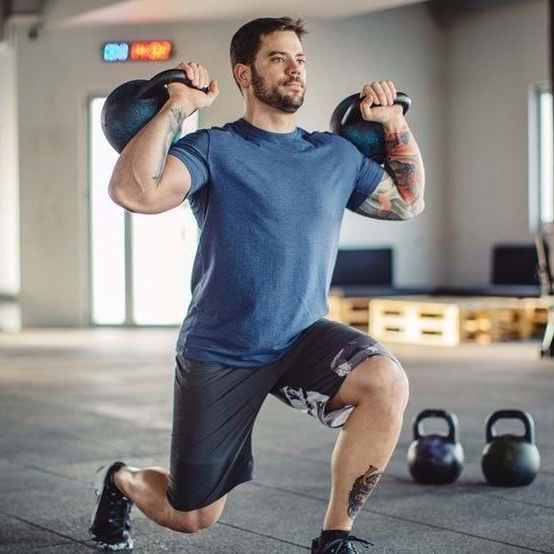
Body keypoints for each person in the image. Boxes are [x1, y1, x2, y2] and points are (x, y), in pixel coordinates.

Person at [91, 16, 425, 553]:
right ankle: (122, 480)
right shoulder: (212, 148)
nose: (295, 69)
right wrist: (177, 106)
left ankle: (335, 539)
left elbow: (407, 203)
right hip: (222, 347)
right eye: (278, 58)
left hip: (301, 337)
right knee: (192, 515)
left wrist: (394, 124)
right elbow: (137, 194)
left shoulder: (335, 155)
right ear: (244, 74)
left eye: (300, 59)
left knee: (386, 381)